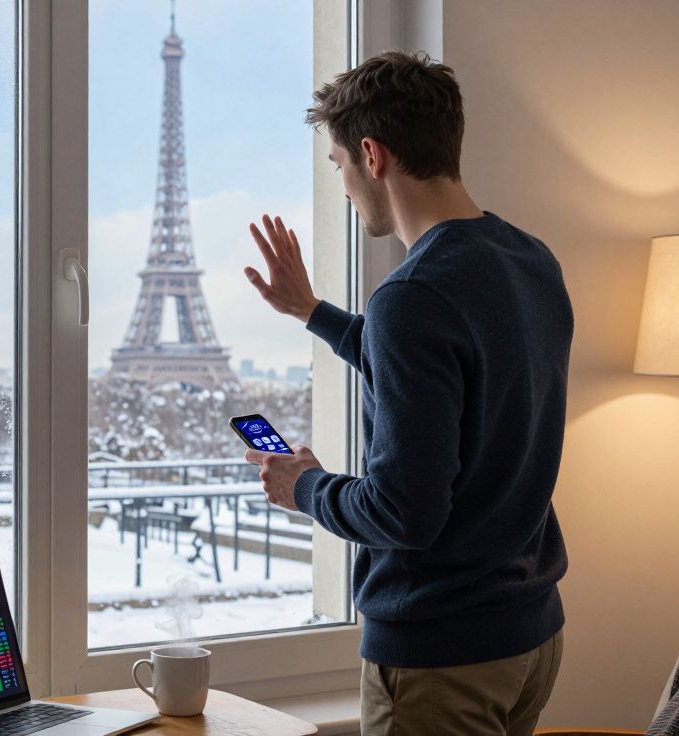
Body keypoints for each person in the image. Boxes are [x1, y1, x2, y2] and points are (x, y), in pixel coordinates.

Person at [242, 51, 572, 736]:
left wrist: (304, 487)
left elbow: (403, 513)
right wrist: (312, 311)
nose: (342, 185)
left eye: (338, 164)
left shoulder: (412, 297)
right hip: (529, 636)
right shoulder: (529, 259)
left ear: (373, 155)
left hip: (441, 658)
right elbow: (443, 371)